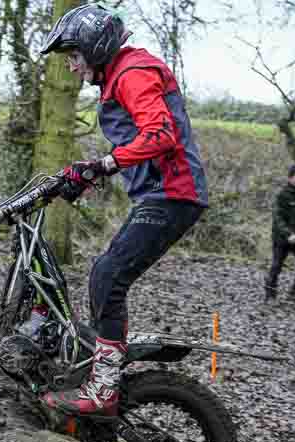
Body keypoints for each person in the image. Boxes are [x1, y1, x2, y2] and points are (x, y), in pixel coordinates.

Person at [28, 3, 208, 416]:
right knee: (103, 276)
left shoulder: (132, 72)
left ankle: (103, 388)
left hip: (173, 194)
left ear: (94, 46)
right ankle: (96, 364)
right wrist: (90, 173)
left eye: (74, 56)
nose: (72, 67)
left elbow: (160, 134)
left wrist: (105, 164)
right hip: (162, 193)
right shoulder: (123, 74)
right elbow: (139, 142)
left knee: (108, 276)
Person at [264, 163, 295, 302]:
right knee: (277, 265)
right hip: (282, 237)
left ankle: (294, 290)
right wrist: (288, 234)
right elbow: (277, 217)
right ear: (291, 178)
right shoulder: (282, 195)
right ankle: (270, 293)